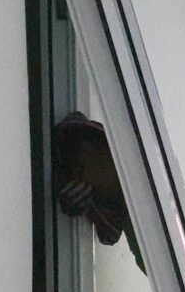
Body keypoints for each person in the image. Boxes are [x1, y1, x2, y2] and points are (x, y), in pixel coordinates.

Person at [52, 111, 145, 274]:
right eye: (76, 153)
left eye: (94, 144)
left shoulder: (143, 202)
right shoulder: (129, 211)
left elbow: (161, 271)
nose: (84, 152)